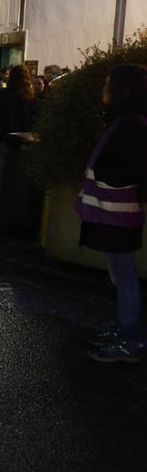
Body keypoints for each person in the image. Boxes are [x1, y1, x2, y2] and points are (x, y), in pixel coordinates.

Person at [78, 64, 147, 363]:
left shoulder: (132, 124)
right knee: (120, 275)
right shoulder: (126, 120)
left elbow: (132, 169)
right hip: (116, 214)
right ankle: (123, 329)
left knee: (125, 275)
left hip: (119, 214)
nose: (104, 88)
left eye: (109, 83)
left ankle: (129, 339)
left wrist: (107, 176)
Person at [0, 64, 36, 207]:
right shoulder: (30, 96)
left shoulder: (3, 94)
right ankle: (16, 202)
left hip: (3, 140)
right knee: (18, 173)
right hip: (24, 142)